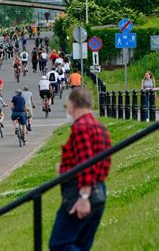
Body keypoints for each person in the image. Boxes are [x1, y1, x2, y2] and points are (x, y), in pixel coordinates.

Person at [49, 88, 112, 251]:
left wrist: (84, 197)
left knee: (59, 243)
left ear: (73, 104)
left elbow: (87, 163)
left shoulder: (80, 127)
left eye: (67, 105)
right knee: (81, 245)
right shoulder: (100, 127)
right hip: (99, 190)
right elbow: (103, 162)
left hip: (81, 192)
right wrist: (65, 167)